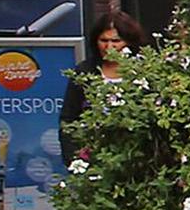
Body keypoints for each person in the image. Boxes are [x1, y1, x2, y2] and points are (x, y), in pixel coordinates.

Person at [58, 12, 144, 149]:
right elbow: (69, 119)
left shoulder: (143, 71)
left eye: (116, 41)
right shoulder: (84, 72)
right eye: (104, 41)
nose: (109, 47)